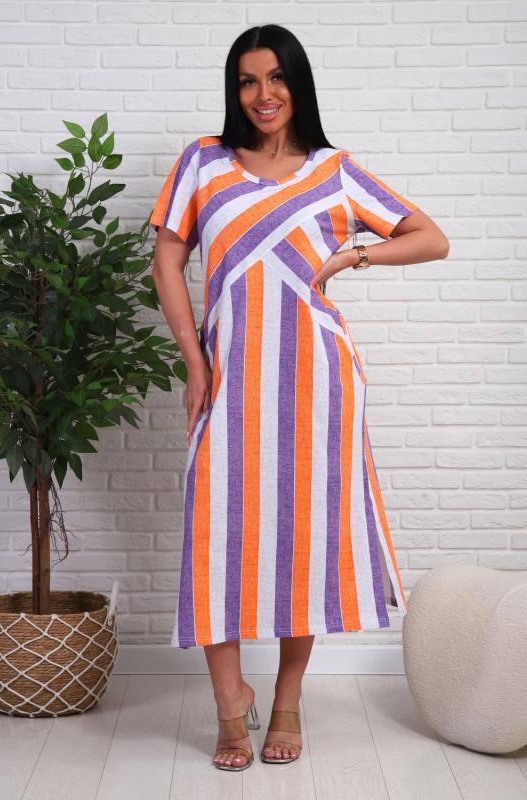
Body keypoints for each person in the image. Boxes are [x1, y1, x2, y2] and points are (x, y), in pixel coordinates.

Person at [150, 24, 449, 773]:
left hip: (316, 381)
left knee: (301, 541)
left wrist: (353, 255)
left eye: (277, 77)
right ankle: (230, 705)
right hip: (228, 380)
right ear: (235, 90)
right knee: (216, 538)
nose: (263, 94)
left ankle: (286, 700)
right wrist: (194, 361)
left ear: (298, 84)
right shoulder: (204, 162)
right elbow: (167, 258)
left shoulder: (334, 171)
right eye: (248, 80)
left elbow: (430, 237)